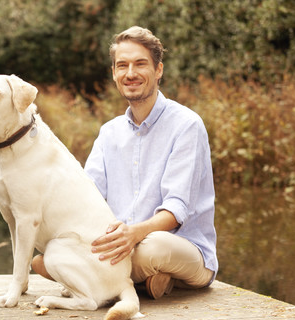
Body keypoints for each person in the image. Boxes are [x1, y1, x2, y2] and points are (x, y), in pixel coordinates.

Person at [32, 26, 218, 299]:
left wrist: (134, 234)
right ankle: (149, 282)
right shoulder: (109, 132)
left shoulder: (186, 125)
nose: (130, 73)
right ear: (114, 74)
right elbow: (87, 196)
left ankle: (109, 279)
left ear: (158, 70)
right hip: (123, 246)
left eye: (140, 64)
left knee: (152, 248)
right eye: (122, 66)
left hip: (181, 246)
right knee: (45, 258)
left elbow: (176, 209)